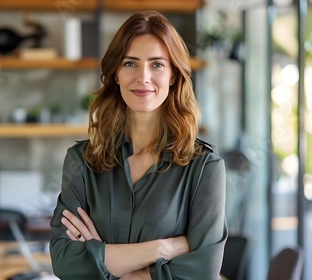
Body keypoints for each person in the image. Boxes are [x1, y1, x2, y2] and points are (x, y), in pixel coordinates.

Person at [49, 10, 227, 280]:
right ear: (116, 74)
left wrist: (102, 256)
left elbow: (203, 271)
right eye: (130, 63)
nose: (143, 77)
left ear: (173, 76)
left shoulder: (205, 168)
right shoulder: (81, 162)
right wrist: (163, 248)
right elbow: (65, 263)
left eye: (157, 64)